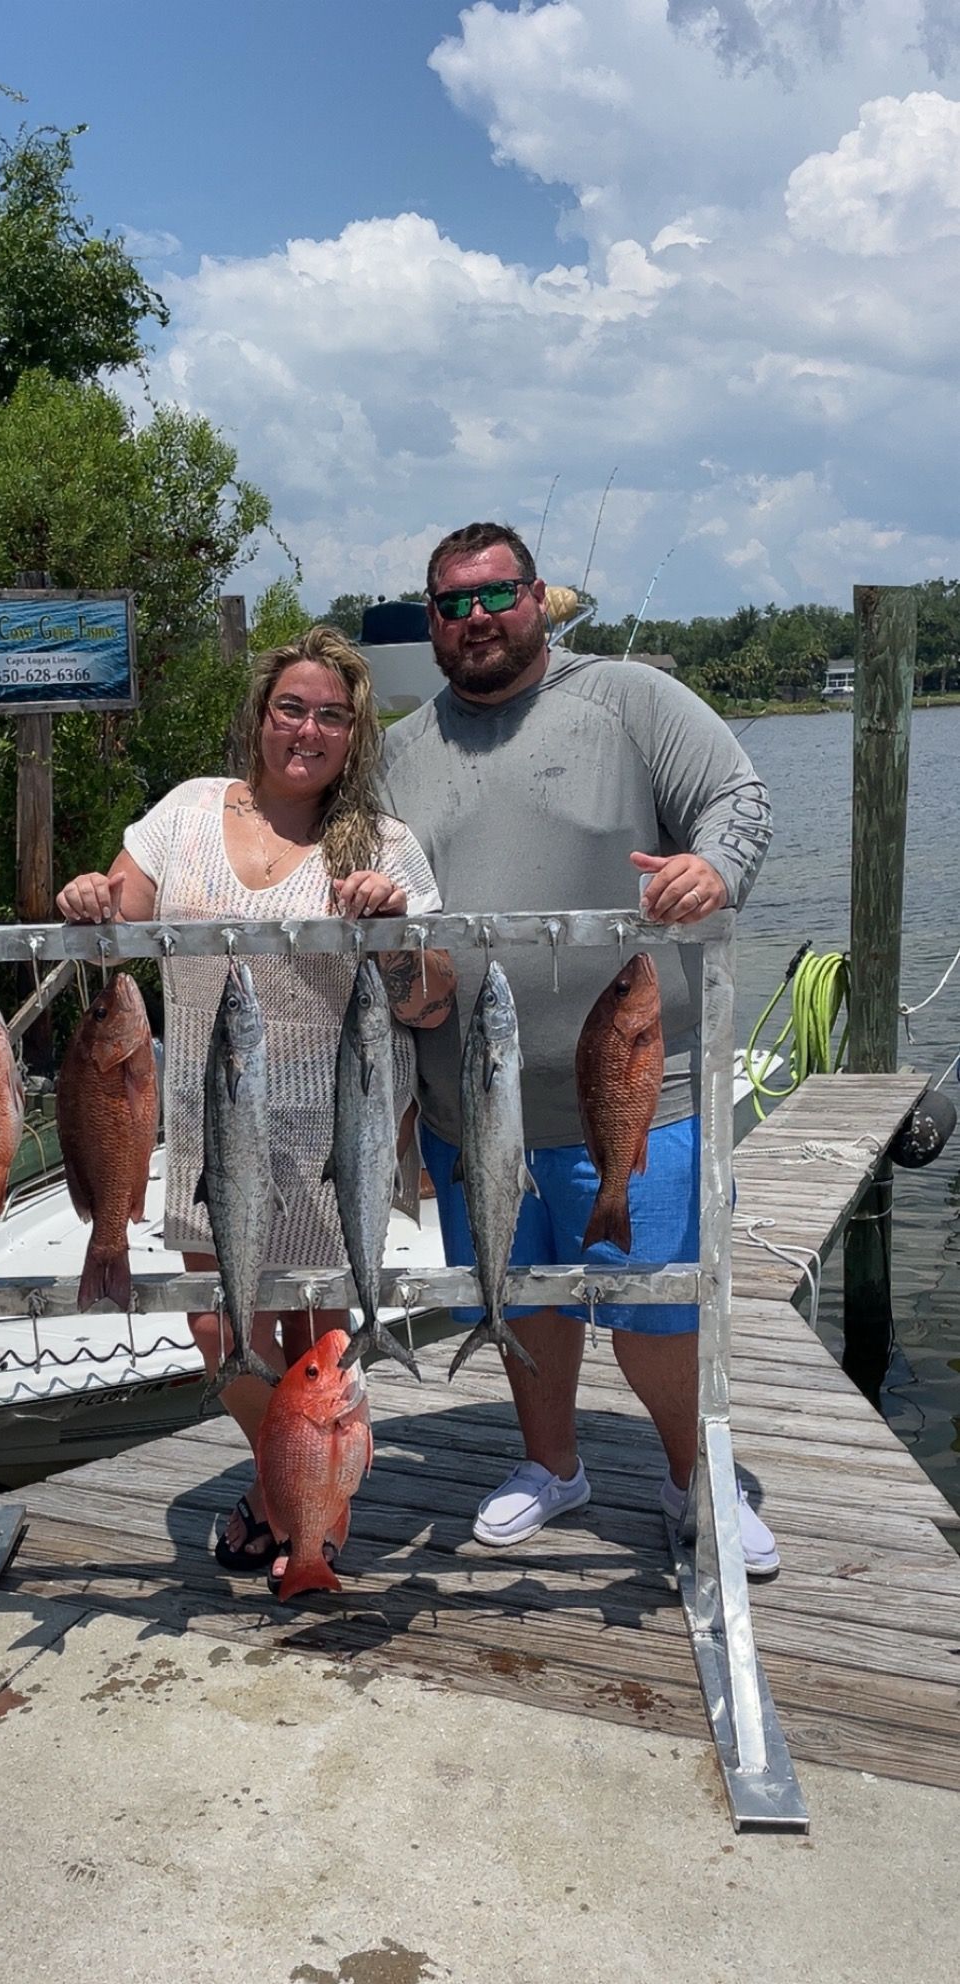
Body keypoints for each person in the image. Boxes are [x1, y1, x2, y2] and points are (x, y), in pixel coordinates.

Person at [378, 523, 780, 1578]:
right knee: (528, 1302)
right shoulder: (396, 754)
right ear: (431, 624)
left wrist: (714, 873)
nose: (478, 620)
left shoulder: (633, 698)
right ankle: (552, 1465)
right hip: (477, 1106)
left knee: (656, 1306)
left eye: (497, 595)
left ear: (539, 598)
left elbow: (740, 799)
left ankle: (699, 1475)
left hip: (648, 1093)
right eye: (454, 604)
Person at [57, 624, 455, 1579]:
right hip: (208, 1123)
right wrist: (89, 901)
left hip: (334, 1136)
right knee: (218, 1321)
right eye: (291, 708)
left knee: (311, 1339)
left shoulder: (385, 847)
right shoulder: (186, 814)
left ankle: (296, 1502)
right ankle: (288, 1485)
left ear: (354, 734)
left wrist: (396, 935)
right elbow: (123, 904)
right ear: (260, 717)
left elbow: (433, 1001)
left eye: (331, 715)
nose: (307, 730)